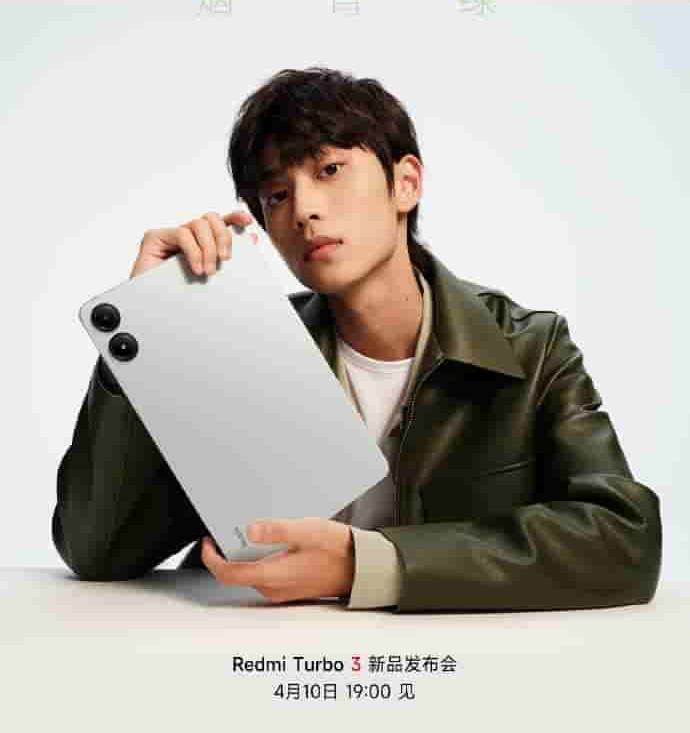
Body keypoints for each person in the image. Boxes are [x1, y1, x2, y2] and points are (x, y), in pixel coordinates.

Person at [52, 67, 662, 612]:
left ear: (406, 184)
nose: (303, 210)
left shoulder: (531, 349)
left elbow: (624, 539)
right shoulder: (241, 351)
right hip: (251, 655)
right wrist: (147, 334)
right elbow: (97, 551)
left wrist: (365, 567)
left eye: (329, 170)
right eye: (277, 194)